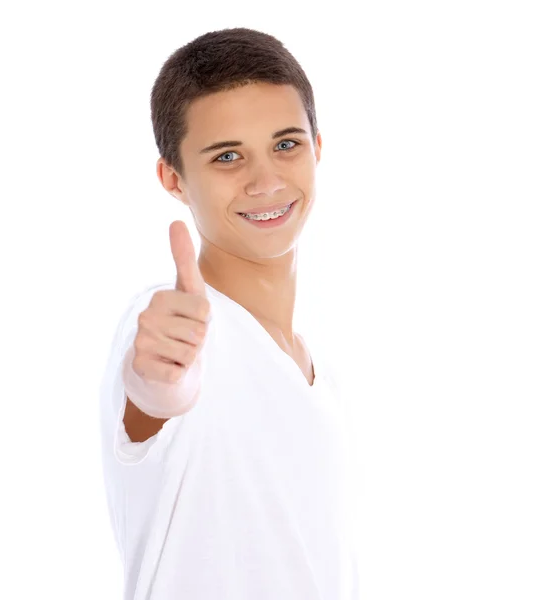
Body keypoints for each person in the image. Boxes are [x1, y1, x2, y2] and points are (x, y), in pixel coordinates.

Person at [99, 27, 359, 599]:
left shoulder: (323, 372)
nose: (265, 181)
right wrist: (156, 387)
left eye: (286, 144)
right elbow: (150, 402)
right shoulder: (171, 327)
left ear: (318, 147)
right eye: (227, 156)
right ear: (173, 178)